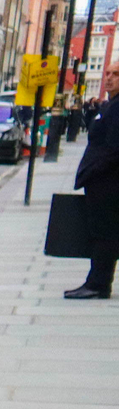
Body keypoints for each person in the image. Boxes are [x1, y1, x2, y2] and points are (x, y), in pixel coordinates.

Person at [64, 98, 119, 300]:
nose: (111, 78)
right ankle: (96, 282)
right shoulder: (109, 105)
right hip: (101, 178)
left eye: (116, 74)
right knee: (101, 231)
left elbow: (114, 148)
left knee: (104, 232)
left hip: (109, 180)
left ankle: (99, 284)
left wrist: (94, 170)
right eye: (108, 73)